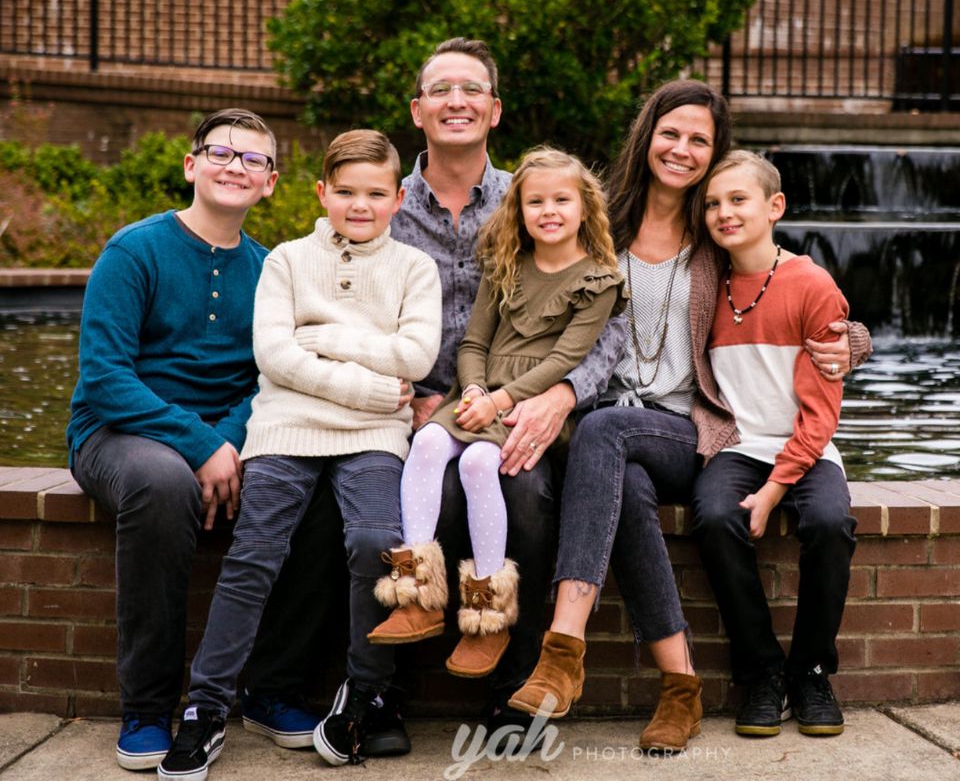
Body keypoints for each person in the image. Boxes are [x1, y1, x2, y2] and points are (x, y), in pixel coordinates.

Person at [508, 81, 871, 753]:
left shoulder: (717, 234)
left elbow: (793, 289)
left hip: (690, 429)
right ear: (647, 134)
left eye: (699, 139)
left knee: (605, 431)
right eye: (670, 132)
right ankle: (681, 687)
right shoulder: (597, 223)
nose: (681, 148)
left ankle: (563, 648)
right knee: (617, 466)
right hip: (602, 428)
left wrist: (851, 341)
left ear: (715, 153)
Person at [157, 130, 442, 780]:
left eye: (375, 193)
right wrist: (370, 378)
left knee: (377, 541)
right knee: (256, 550)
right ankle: (204, 710)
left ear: (399, 198)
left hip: (374, 436)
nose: (360, 205)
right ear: (322, 192)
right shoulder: (287, 260)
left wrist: (322, 338)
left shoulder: (413, 269)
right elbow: (276, 357)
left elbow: (418, 357)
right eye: (345, 192)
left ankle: (363, 693)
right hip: (286, 428)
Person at [387, 38, 627, 739]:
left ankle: (518, 687)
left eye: (472, 90)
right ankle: (382, 692)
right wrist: (406, 390)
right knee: (390, 496)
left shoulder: (533, 195)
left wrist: (564, 394)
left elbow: (608, 325)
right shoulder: (385, 202)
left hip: (521, 406)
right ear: (418, 110)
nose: (455, 101)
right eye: (440, 89)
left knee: (521, 485)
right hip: (425, 404)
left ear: (495, 109)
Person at [66, 109, 279, 770]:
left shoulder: (273, 270)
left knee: (303, 481)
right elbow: (104, 377)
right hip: (117, 433)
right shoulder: (135, 251)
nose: (234, 166)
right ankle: (148, 707)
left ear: (270, 182)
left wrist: (231, 441)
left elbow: (268, 378)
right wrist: (200, 445)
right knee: (161, 483)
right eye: (220, 152)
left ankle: (276, 690)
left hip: (224, 437)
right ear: (191, 166)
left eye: (252, 159)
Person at [691, 150, 856, 738]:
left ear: (774, 207)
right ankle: (763, 671)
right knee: (712, 518)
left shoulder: (811, 284)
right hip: (734, 445)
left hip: (807, 447)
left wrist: (772, 492)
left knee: (831, 523)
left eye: (738, 200)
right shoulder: (704, 283)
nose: (724, 213)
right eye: (712, 203)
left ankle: (811, 670)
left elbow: (820, 414)